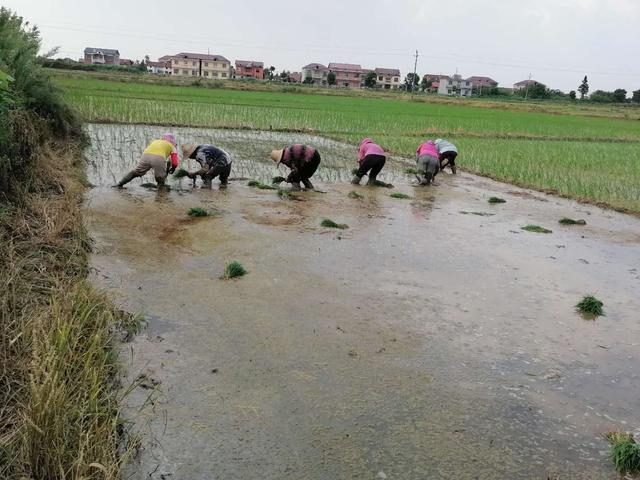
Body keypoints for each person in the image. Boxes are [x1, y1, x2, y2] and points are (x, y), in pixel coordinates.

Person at [114, 133, 178, 188]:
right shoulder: (172, 146)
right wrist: (173, 168)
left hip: (146, 155)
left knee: (136, 172)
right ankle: (160, 196)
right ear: (173, 141)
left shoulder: (155, 141)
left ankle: (120, 184)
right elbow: (175, 163)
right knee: (160, 179)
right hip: (158, 158)